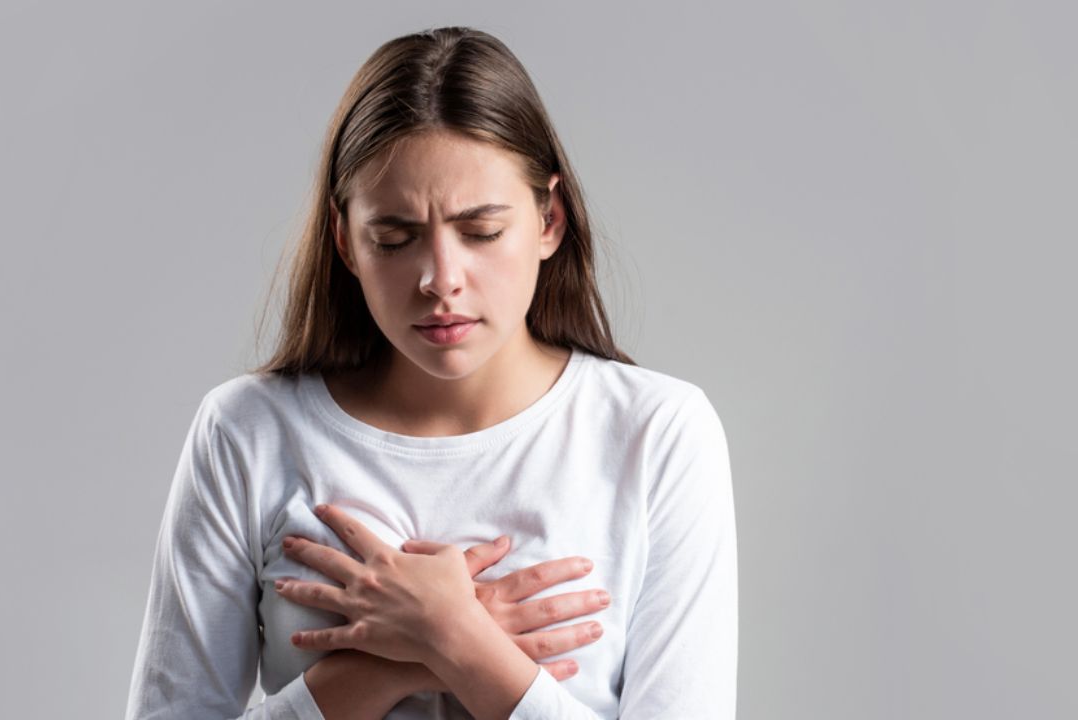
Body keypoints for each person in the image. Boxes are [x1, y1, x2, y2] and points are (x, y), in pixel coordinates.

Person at [124, 25, 737, 720]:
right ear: (344, 241)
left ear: (549, 220)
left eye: (481, 232)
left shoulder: (657, 434)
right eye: (395, 238)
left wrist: (459, 637)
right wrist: (397, 656)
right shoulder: (247, 432)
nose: (439, 280)